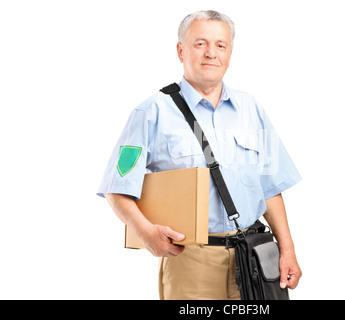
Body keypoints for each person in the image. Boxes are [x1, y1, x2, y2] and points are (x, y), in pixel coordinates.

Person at [97, 10, 302, 300]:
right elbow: (115, 189)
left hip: (256, 257)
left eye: (221, 45)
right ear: (180, 50)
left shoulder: (251, 109)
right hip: (191, 262)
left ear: (230, 52)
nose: (211, 53)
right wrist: (145, 233)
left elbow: (269, 188)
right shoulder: (152, 112)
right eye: (200, 43)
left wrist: (288, 250)